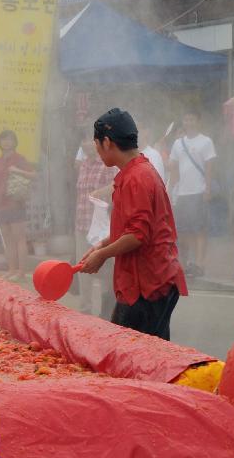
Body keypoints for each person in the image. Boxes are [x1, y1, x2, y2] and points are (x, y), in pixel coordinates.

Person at [80, 108, 187, 340]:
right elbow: (128, 227)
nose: (96, 151)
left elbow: (137, 235)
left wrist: (102, 255)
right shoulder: (137, 170)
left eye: (96, 145)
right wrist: (101, 245)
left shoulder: (137, 178)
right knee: (151, 352)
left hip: (149, 284)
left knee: (131, 353)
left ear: (107, 142)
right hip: (153, 279)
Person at [74, 131, 117, 317]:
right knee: (82, 268)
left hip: (101, 228)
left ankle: (107, 312)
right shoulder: (83, 165)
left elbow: (118, 185)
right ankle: (85, 311)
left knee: (106, 270)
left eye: (89, 140)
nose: (85, 144)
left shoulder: (108, 164)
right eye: (82, 140)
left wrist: (103, 191)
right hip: (82, 224)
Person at [168, 111, 217, 278]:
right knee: (183, 231)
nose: (188, 122)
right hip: (182, 193)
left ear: (198, 121)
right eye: (186, 119)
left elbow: (210, 167)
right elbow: (174, 168)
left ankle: (200, 264)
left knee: (199, 230)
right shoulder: (177, 144)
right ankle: (185, 264)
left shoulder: (206, 141)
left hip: (199, 191)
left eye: (192, 119)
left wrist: (208, 188)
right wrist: (170, 190)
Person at [0, 130, 35, 282]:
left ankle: (21, 272)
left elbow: (33, 175)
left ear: (14, 142)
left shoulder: (19, 158)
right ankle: (11, 269)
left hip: (16, 203)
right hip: (0, 203)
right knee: (7, 239)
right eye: (3, 139)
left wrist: (17, 170)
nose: (6, 142)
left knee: (19, 238)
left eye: (9, 139)